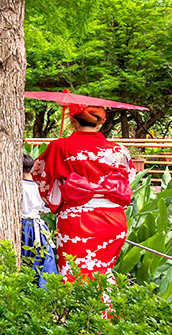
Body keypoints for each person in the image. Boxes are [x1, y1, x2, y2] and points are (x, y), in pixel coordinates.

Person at [32, 105, 136, 282]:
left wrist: (55, 194)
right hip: (114, 218)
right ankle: (105, 309)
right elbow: (129, 178)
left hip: (78, 217)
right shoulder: (119, 150)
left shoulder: (60, 146)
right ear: (101, 122)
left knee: (73, 271)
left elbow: (39, 176)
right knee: (103, 273)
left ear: (73, 121)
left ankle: (76, 310)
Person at [21, 153, 57, 287]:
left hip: (23, 224)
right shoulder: (39, 187)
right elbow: (47, 206)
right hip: (38, 226)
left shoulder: (18, 186)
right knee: (43, 257)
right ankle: (43, 287)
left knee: (24, 255)